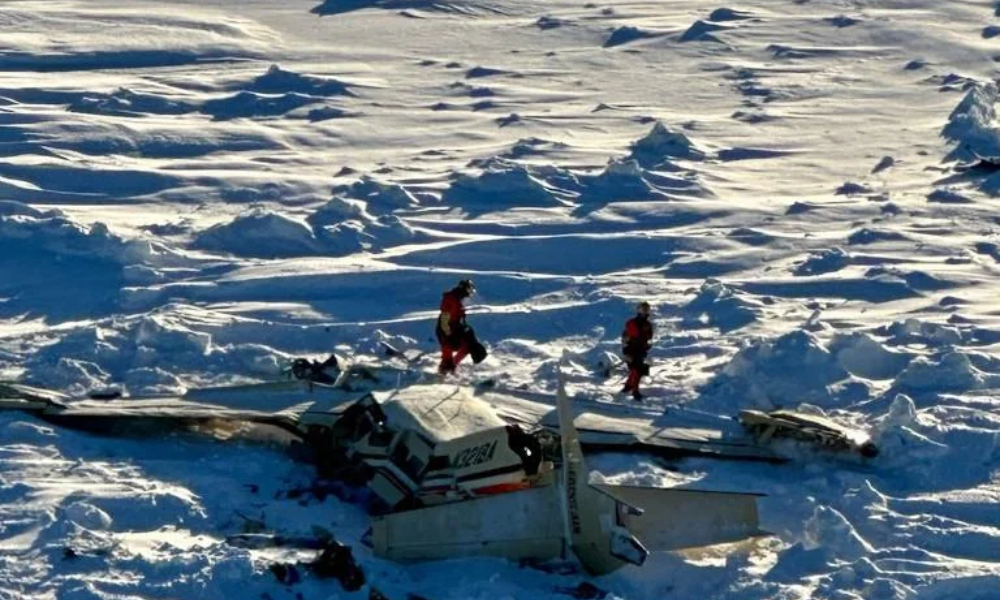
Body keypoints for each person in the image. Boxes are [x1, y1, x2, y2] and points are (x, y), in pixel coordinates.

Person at [436, 279, 476, 376]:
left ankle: (451, 366)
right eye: (469, 290)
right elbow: (445, 316)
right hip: (445, 329)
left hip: (454, 328)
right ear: (464, 289)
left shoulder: (458, 299)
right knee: (447, 351)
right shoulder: (451, 299)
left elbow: (458, 316)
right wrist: (447, 332)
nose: (469, 294)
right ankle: (445, 370)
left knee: (468, 346)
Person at [621, 301, 654, 400]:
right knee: (636, 371)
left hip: (641, 350)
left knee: (635, 371)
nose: (645, 311)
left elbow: (649, 337)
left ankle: (628, 386)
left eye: (647, 309)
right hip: (631, 350)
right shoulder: (631, 322)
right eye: (643, 309)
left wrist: (647, 345)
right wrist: (626, 352)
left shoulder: (647, 324)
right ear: (639, 310)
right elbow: (626, 338)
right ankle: (635, 391)